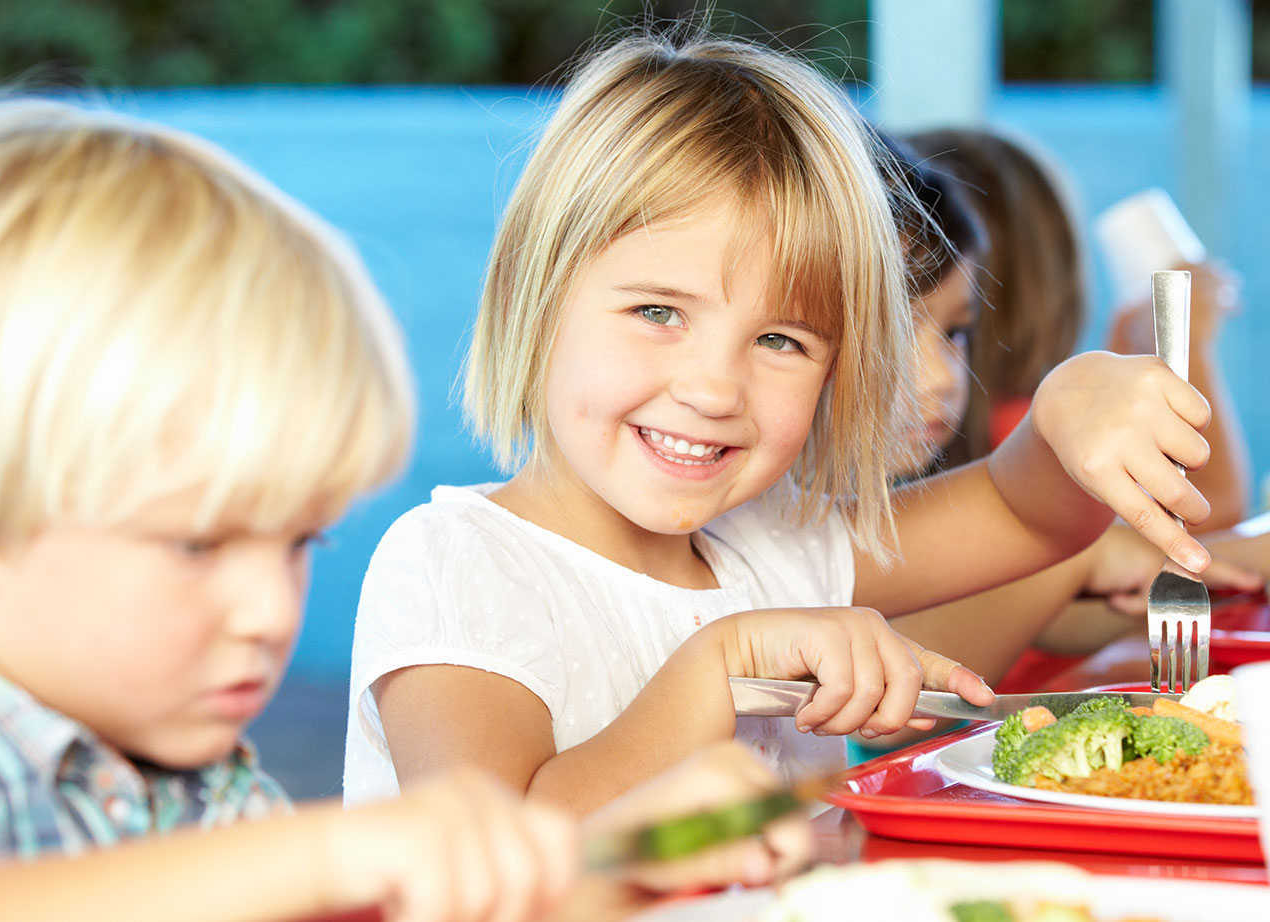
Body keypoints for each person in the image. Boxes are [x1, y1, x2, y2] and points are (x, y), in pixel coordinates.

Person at [0, 97, 812, 922]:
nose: (270, 612)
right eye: (197, 544)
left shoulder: (196, 775)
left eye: (295, 543)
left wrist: (614, 860)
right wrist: (333, 853)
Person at [344, 30, 1219, 815]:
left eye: (779, 339)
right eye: (659, 311)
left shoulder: (773, 543)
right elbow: (495, 855)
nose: (716, 388)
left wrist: (1070, 410)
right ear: (536, 303)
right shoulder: (457, 565)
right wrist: (720, 667)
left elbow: (1025, 513)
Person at [907, 127, 1252, 530]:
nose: (938, 378)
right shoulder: (1021, 434)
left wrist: (1127, 363)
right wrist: (1184, 342)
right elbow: (1201, 519)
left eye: (954, 333)